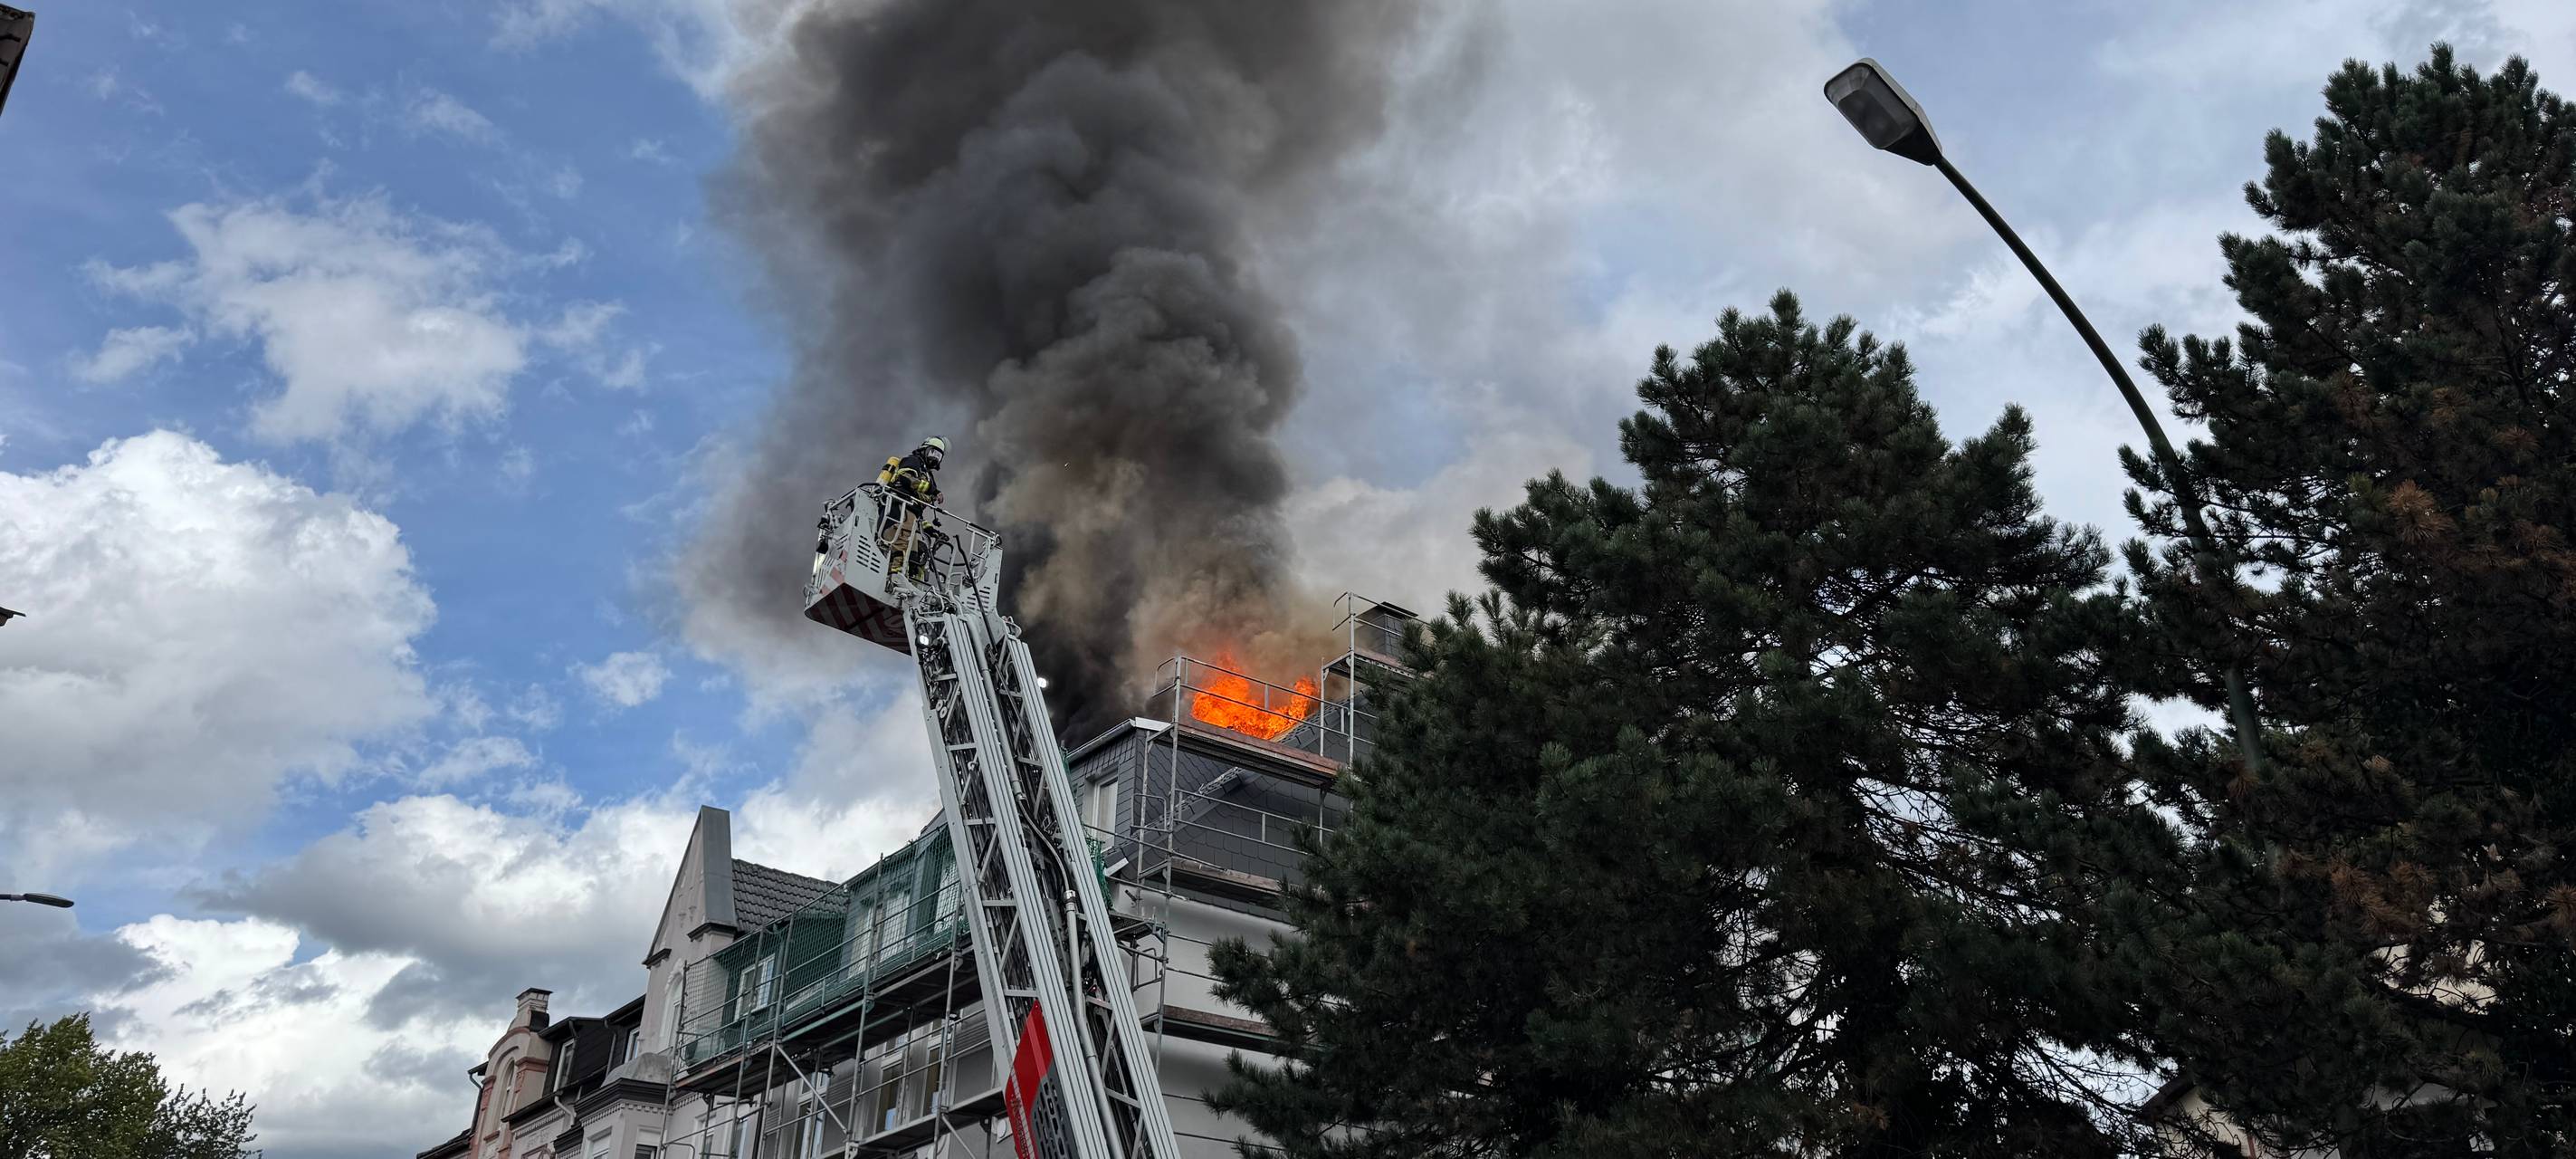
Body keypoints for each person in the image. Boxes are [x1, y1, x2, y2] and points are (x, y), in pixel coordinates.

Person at [877, 436, 948, 581]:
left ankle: (912, 582)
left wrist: (932, 531)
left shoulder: (929, 476)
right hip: (898, 509)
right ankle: (894, 579)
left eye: (939, 456)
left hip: (910, 516)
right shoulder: (913, 461)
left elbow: (918, 517)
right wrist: (933, 491)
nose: (935, 458)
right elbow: (905, 477)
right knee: (901, 546)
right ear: (924, 450)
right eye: (933, 453)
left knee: (916, 555)